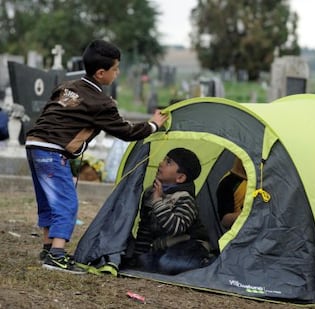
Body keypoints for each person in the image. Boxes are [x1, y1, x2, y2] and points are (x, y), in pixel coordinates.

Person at [25, 39, 168, 274]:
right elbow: (126, 131)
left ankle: (48, 247)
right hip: (52, 151)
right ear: (101, 73)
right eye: (116, 69)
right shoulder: (100, 102)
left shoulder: (67, 87)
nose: (118, 72)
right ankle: (57, 256)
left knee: (48, 201)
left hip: (34, 145)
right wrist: (153, 125)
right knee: (66, 203)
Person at [123, 147, 213, 275]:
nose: (161, 163)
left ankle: (206, 262)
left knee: (167, 263)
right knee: (143, 261)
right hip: (164, 248)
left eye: (168, 162)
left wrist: (158, 202)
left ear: (180, 178)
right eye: (164, 159)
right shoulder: (150, 193)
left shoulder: (185, 198)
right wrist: (139, 256)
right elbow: (145, 228)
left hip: (191, 245)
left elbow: (175, 228)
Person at [216, 158, 247, 230]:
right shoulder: (228, 182)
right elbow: (225, 221)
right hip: (243, 232)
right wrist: (249, 213)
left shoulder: (269, 178)